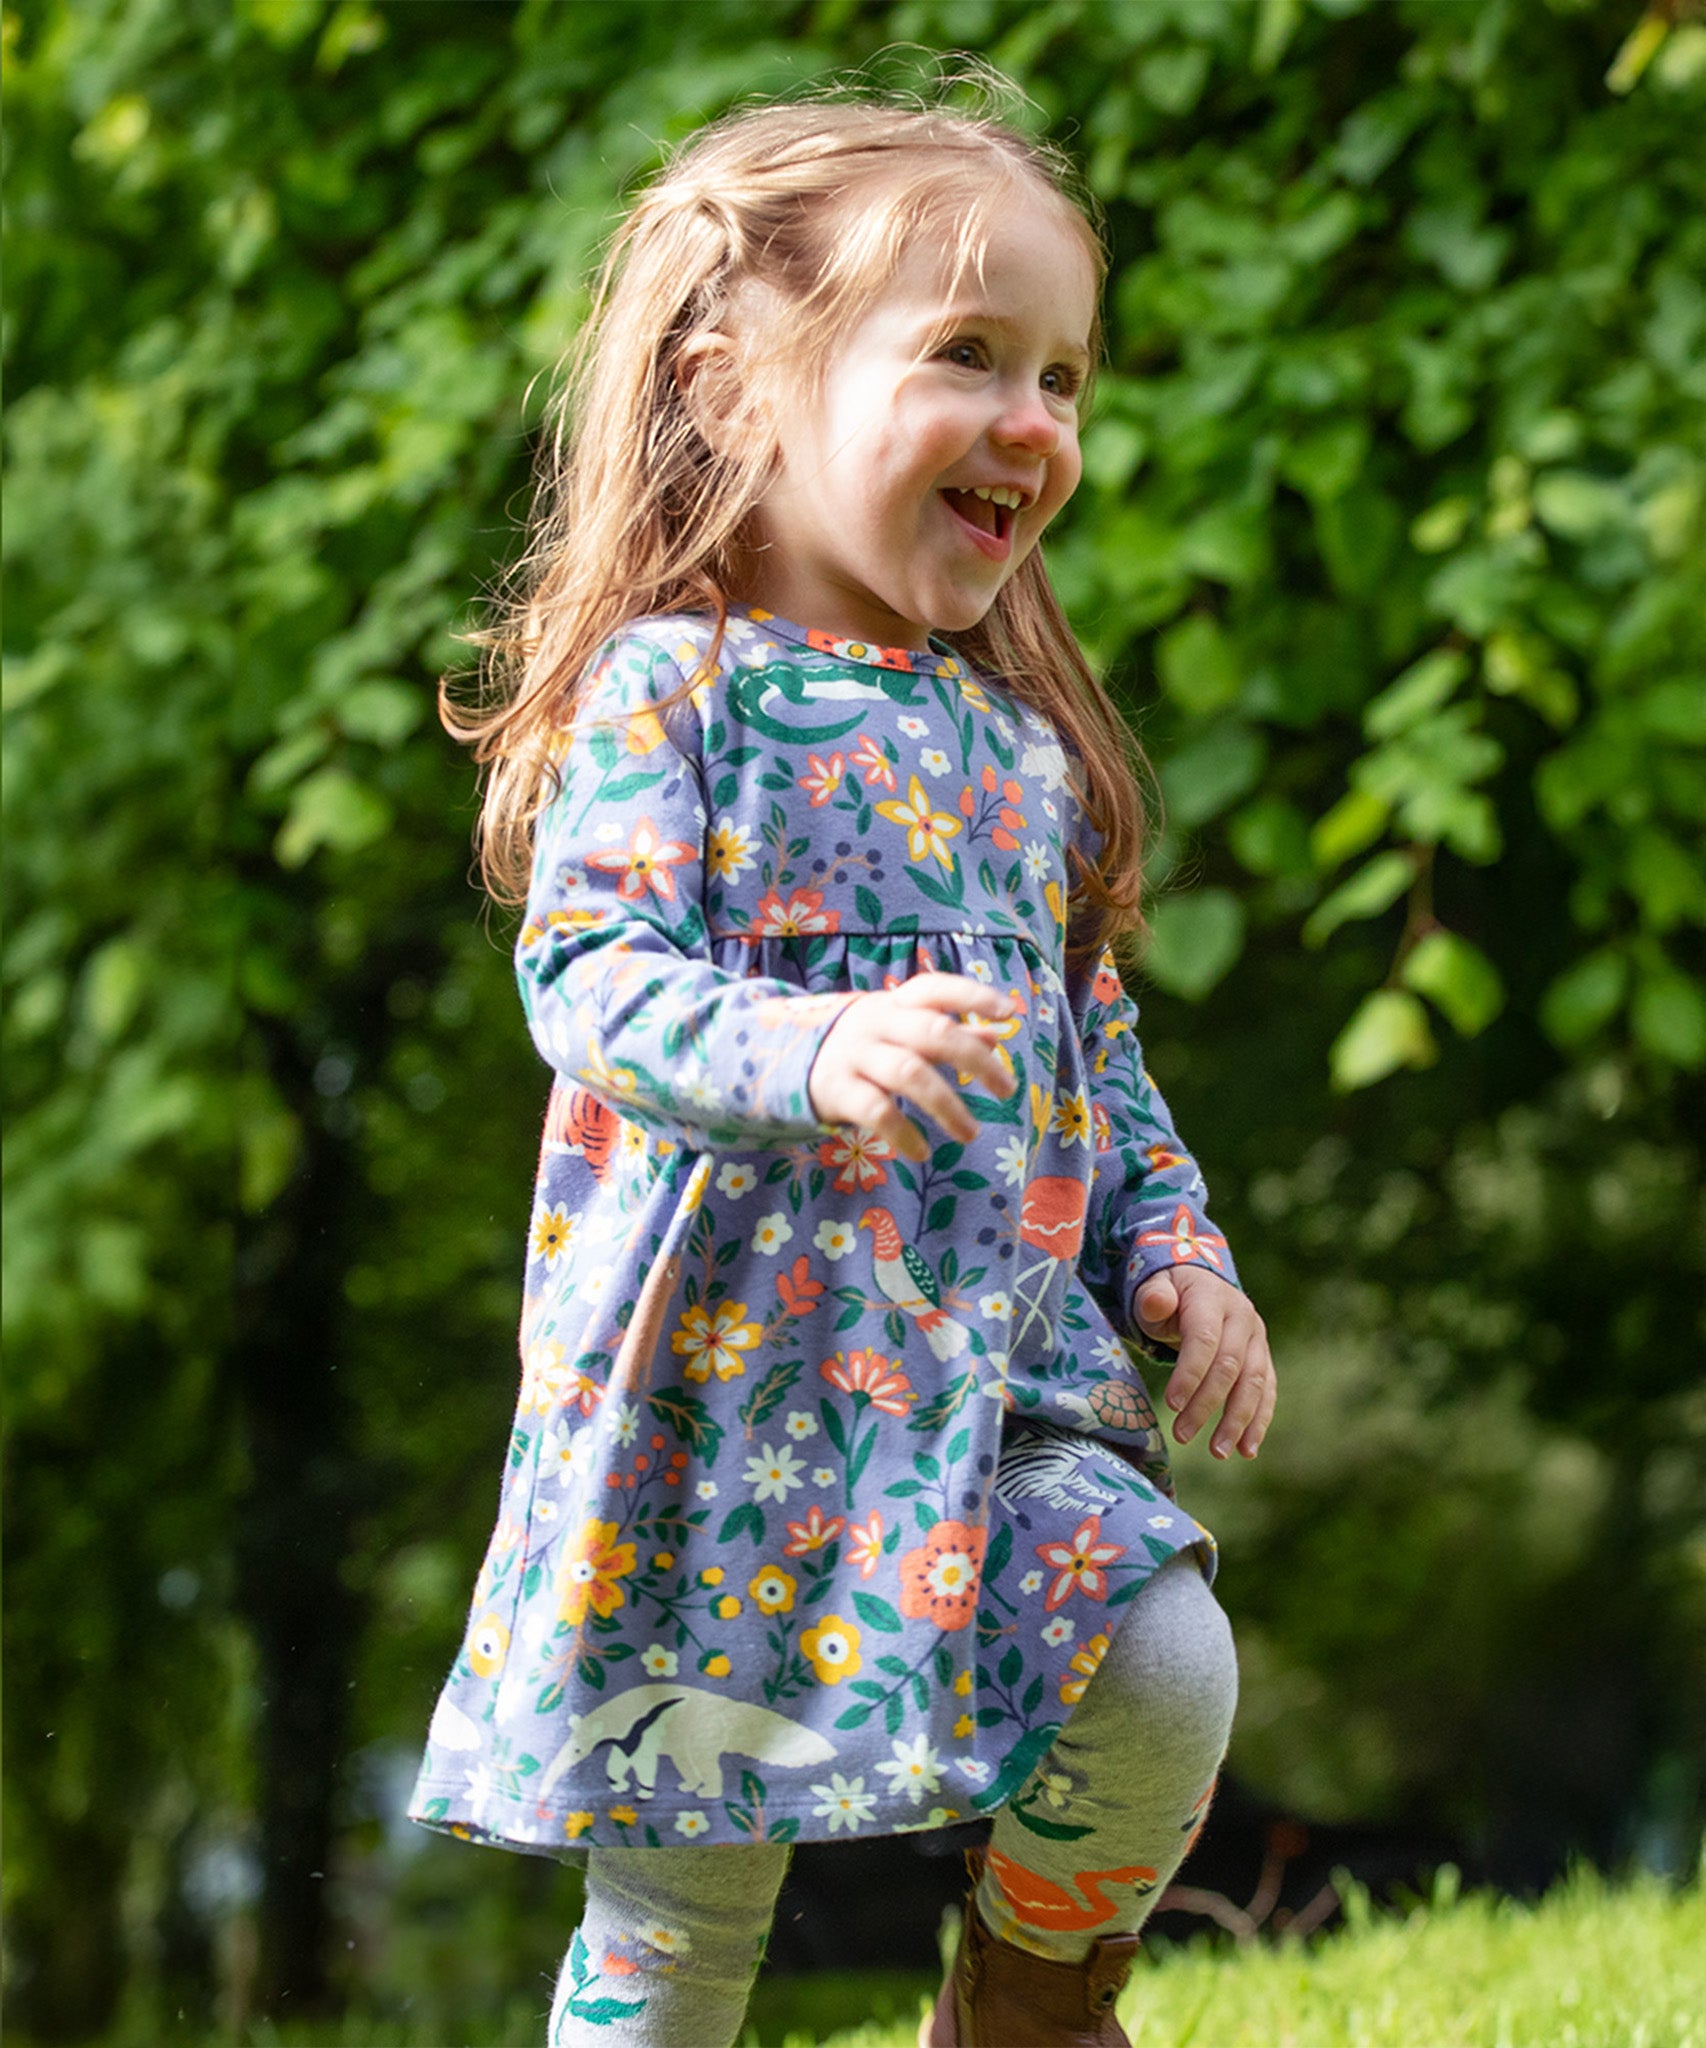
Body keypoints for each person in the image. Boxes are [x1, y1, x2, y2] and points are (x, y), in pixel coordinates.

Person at [408, 76, 1276, 2048]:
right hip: (719, 1424)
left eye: (1062, 375)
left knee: (1158, 1667)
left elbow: (1094, 1055)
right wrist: (807, 1047)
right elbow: (593, 981)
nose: (1035, 421)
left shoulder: (1023, 762)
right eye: (970, 354)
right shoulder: (672, 695)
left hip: (989, 1392)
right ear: (730, 386)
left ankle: (1030, 1993)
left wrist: (1179, 1250)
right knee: (687, 1926)